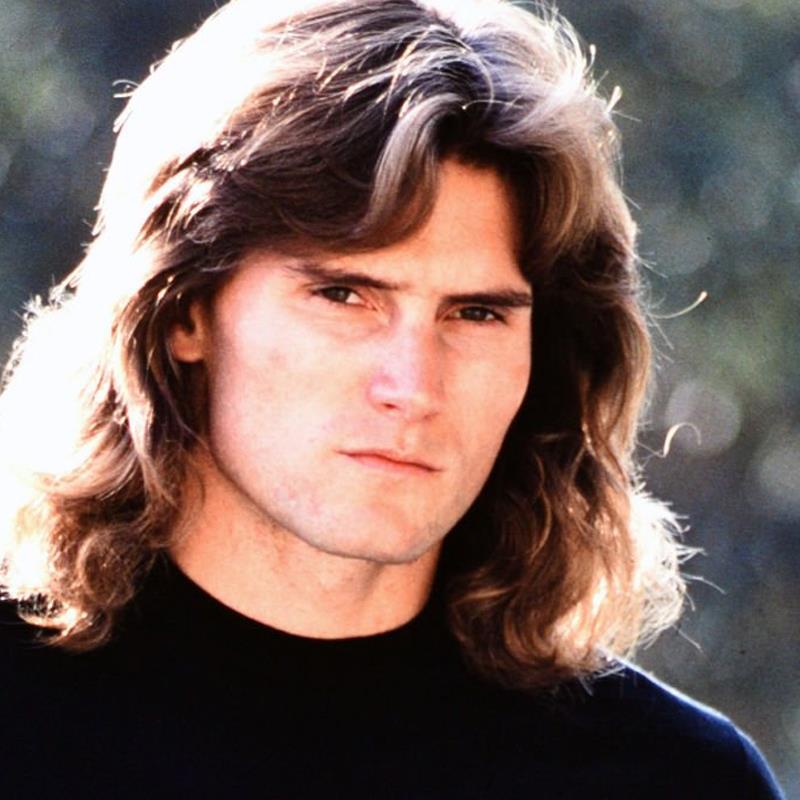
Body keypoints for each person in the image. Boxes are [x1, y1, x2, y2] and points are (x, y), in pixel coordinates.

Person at [0, 0, 784, 797]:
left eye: (475, 314)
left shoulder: (671, 779)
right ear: (182, 313)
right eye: (344, 296)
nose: (412, 387)